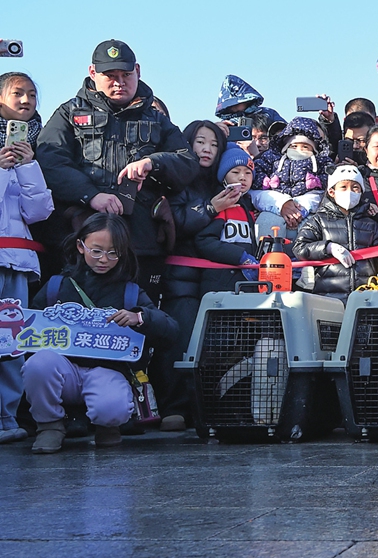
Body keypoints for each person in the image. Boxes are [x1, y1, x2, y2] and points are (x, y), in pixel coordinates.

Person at [37, 39, 201, 302]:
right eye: (110, 76)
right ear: (93, 73)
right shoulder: (68, 113)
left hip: (141, 243)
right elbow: (49, 161)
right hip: (81, 241)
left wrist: (153, 163)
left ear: (138, 70)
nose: (119, 82)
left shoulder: (157, 118)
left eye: (126, 74)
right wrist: (90, 195)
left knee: (141, 319)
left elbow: (188, 163)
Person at [23, 214, 179, 453]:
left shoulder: (130, 291)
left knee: (111, 407)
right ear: (80, 246)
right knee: (38, 364)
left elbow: (171, 331)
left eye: (113, 253)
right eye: (96, 251)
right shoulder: (57, 286)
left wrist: (140, 317)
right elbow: (31, 328)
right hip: (63, 368)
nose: (104, 259)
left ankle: (108, 427)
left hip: (107, 371)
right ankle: (49, 426)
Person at [156, 120, 236, 432]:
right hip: (181, 276)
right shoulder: (174, 183)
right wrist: (210, 209)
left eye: (214, 144)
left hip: (217, 280)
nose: (207, 149)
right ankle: (174, 408)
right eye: (200, 142)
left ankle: (212, 406)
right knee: (179, 341)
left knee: (218, 345)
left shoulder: (222, 182)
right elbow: (172, 225)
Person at [0, 72, 53, 444]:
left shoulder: (30, 153)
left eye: (32, 94)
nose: (26, 100)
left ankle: (6, 419)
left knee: (10, 344)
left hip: (16, 261)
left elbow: (39, 213)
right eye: (17, 93)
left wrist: (27, 165)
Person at [291, 164, 378, 304]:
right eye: (343, 187)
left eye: (355, 187)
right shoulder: (319, 220)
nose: (349, 192)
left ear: (361, 192)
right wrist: (328, 248)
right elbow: (299, 247)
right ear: (331, 191)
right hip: (328, 298)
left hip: (365, 297)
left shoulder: (371, 224)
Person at [194, 146, 259, 296]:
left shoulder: (250, 208)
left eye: (248, 173)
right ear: (223, 176)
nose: (242, 177)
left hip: (247, 287)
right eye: (235, 172)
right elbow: (204, 240)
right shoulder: (219, 204)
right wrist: (240, 257)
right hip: (220, 285)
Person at [251, 117, 331, 232]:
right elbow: (255, 179)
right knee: (266, 222)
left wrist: (300, 207)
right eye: (294, 146)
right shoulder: (271, 159)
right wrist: (267, 184)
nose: (299, 150)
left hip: (307, 210)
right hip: (274, 207)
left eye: (305, 146)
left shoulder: (320, 163)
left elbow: (328, 187)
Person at [214, 74, 285, 127]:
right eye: (229, 105)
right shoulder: (226, 124)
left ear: (246, 100)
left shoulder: (268, 114)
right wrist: (217, 131)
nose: (233, 106)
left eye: (236, 103)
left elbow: (286, 133)